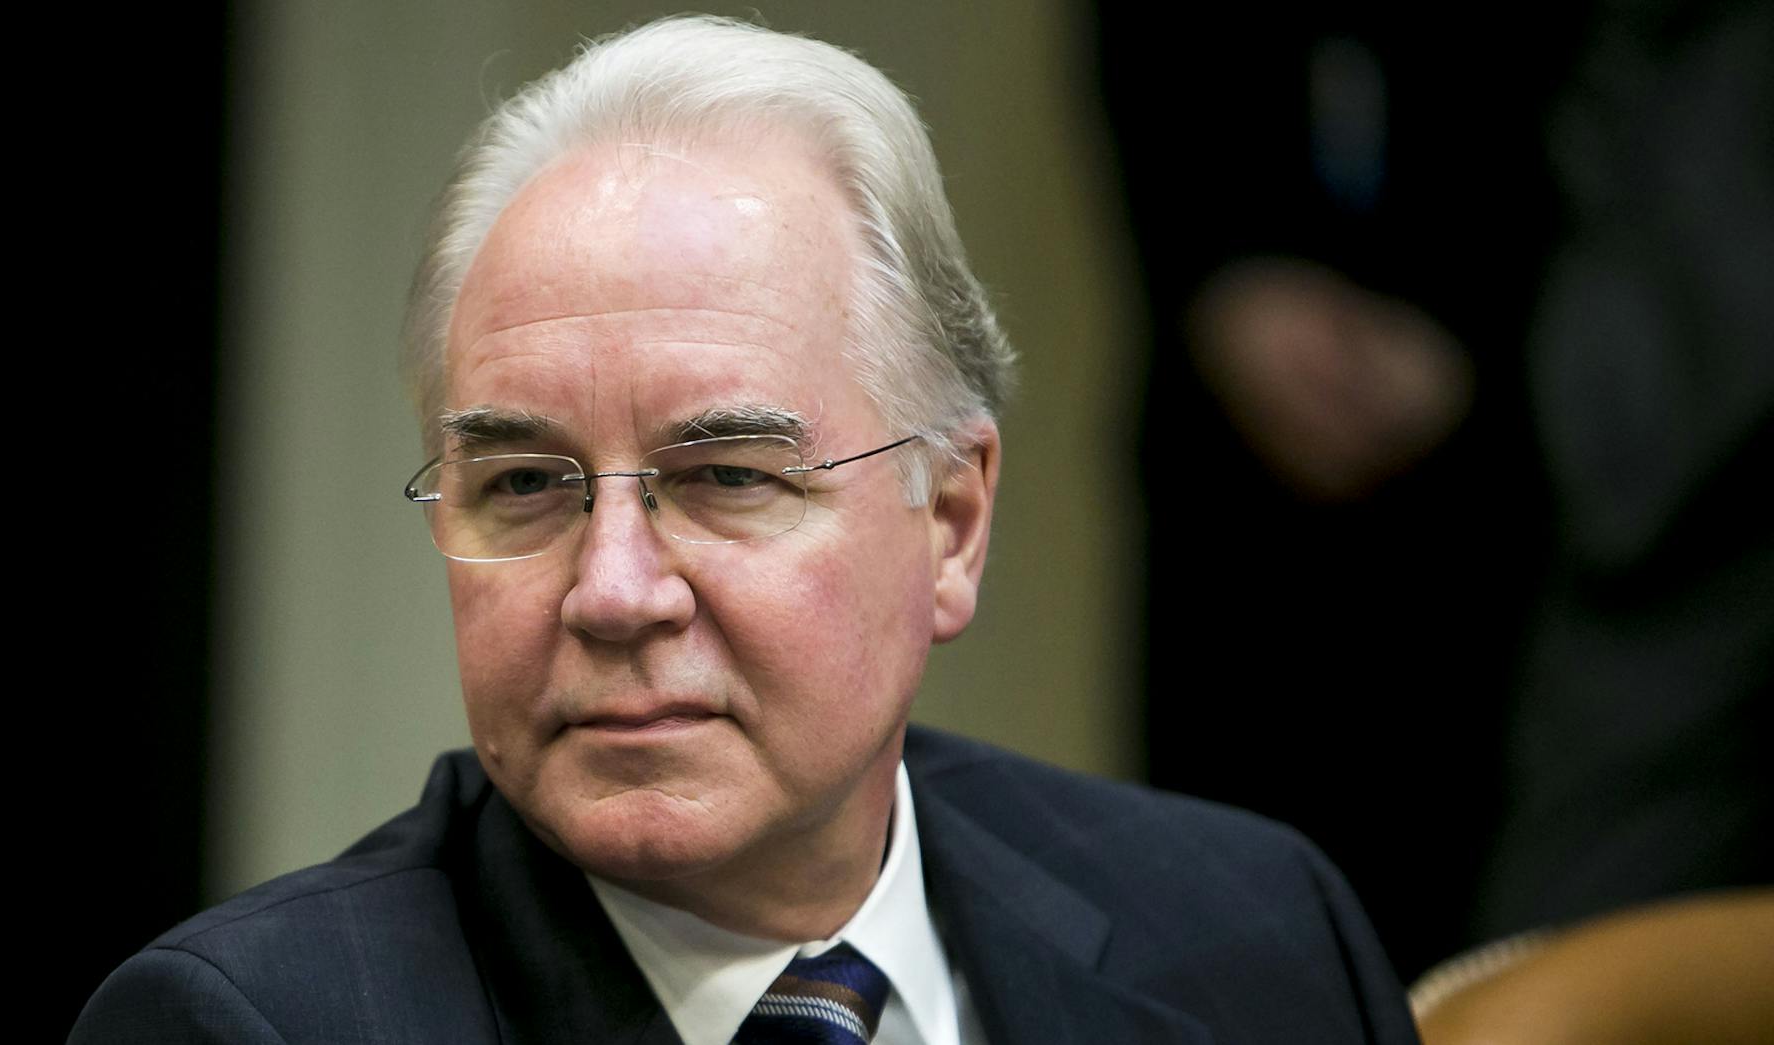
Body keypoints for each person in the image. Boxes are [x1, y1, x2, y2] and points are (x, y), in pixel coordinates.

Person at [71, 16, 1418, 1044]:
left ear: (951, 523)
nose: (613, 592)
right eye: (526, 485)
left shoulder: (1254, 932)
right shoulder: (256, 1028)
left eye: (724, 475)